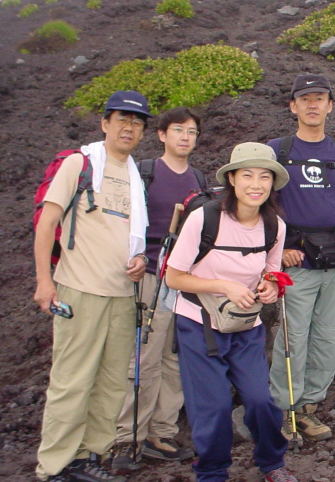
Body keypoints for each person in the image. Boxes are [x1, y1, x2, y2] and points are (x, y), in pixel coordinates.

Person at [33, 90, 151, 481]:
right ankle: (55, 464)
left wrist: (139, 261)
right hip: (78, 290)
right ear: (105, 123)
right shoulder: (78, 164)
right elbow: (47, 224)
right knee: (71, 380)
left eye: (136, 122)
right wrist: (43, 282)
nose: (129, 127)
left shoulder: (136, 175)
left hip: (121, 293)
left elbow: (128, 235)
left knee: (112, 381)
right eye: (122, 119)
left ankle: (89, 456)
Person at [165, 142, 297, 482]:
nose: (256, 184)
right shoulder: (204, 219)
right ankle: (211, 473)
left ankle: (272, 463)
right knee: (214, 407)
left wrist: (270, 284)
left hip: (245, 325)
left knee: (260, 401)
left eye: (264, 177)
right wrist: (224, 286)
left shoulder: (275, 226)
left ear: (272, 183)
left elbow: (271, 271)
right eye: (248, 175)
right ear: (232, 180)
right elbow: (174, 276)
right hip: (199, 325)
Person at [267, 74, 335, 443]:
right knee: (293, 338)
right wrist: (277, 250)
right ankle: (286, 409)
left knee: (329, 337)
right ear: (293, 106)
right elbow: (260, 205)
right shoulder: (277, 151)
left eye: (320, 98)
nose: (313, 104)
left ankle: (311, 406)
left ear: (331, 106)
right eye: (305, 98)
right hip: (296, 261)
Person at [112, 107, 204, 470]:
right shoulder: (145, 173)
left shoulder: (197, 178)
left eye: (192, 132)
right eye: (178, 130)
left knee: (175, 358)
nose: (185, 137)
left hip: (185, 280)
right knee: (145, 358)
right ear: (162, 135)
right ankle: (127, 436)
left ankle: (161, 432)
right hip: (151, 275)